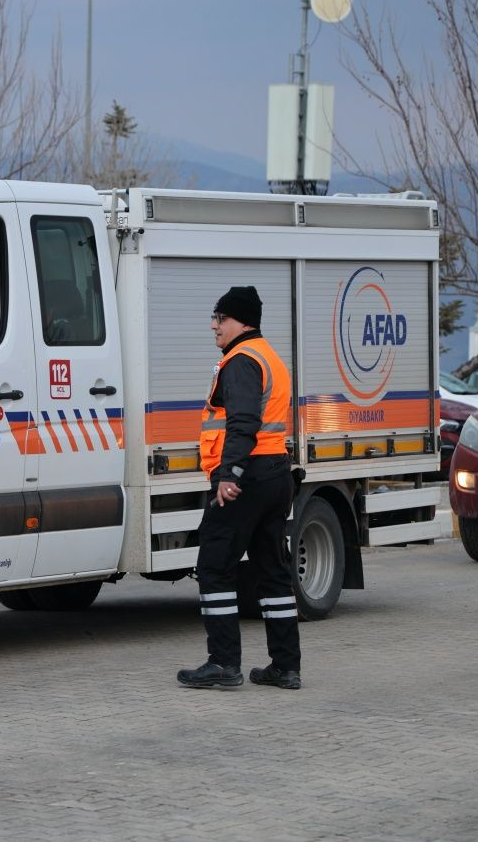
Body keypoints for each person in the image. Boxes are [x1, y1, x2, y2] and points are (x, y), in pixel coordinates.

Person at [177, 286, 302, 690]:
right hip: (274, 473)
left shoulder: (242, 360)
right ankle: (285, 667)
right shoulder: (268, 356)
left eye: (221, 318)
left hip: (245, 477)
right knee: (272, 573)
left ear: (242, 321)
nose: (214, 325)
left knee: (215, 567)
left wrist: (229, 474)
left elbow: (243, 421)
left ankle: (224, 663)